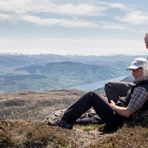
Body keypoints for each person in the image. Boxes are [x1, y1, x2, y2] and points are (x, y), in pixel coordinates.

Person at [49, 57, 148, 132]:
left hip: (119, 120)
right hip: (120, 116)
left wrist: (114, 107)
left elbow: (128, 112)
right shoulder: (143, 84)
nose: (133, 73)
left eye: (137, 70)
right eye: (132, 70)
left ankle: (65, 121)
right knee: (100, 95)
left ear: (145, 69)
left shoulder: (141, 89)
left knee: (91, 96)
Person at [105, 32, 148, 103]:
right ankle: (118, 108)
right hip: (140, 85)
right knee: (109, 85)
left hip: (143, 88)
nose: (146, 44)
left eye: (147, 42)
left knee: (109, 86)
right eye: (146, 42)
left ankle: (117, 111)